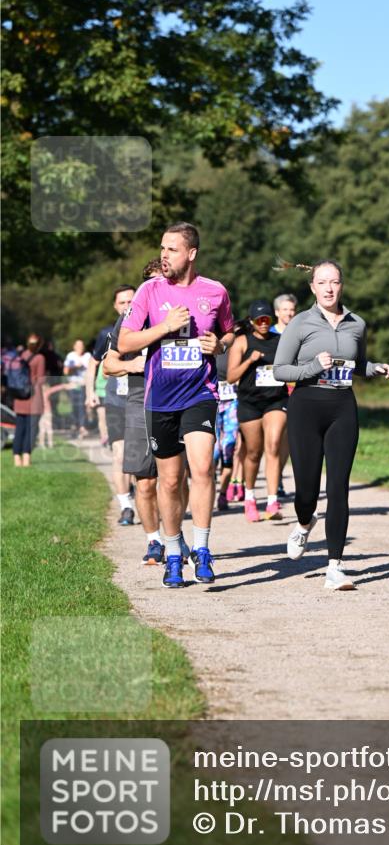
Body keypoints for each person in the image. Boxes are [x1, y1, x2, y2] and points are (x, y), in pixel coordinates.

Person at [118, 223, 234, 588]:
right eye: (162, 249)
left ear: (192, 253)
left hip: (199, 394)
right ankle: (172, 553)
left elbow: (229, 331)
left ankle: (201, 549)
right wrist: (164, 326)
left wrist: (220, 345)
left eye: (172, 249)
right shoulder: (150, 290)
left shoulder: (214, 292)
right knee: (169, 482)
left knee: (202, 468)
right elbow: (125, 342)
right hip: (160, 399)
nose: (164, 255)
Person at [273, 259, 389, 591]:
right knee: (307, 491)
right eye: (322, 282)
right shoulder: (300, 323)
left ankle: (335, 567)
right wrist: (312, 366)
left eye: (335, 282)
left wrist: (375, 368)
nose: (329, 288)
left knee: (339, 486)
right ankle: (303, 523)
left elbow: (356, 364)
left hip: (342, 406)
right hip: (305, 406)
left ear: (342, 285)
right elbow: (280, 370)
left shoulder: (357, 323)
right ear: (312, 287)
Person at [104, 258, 191, 566]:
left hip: (177, 399)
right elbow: (108, 364)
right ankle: (153, 540)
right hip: (140, 401)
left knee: (177, 478)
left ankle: (175, 534)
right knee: (145, 481)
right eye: (155, 283)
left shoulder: (186, 313)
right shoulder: (132, 318)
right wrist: (132, 364)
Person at [227, 300, 289, 521]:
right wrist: (250, 361)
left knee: (272, 445)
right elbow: (232, 376)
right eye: (259, 320)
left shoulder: (280, 341)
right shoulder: (242, 342)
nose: (264, 324)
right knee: (253, 452)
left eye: (267, 320)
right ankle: (250, 498)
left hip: (276, 400)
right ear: (252, 321)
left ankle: (272, 501)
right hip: (250, 402)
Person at [85, 285, 136, 525]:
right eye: (122, 303)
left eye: (131, 301)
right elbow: (93, 363)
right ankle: (126, 506)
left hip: (142, 399)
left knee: (140, 456)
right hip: (115, 400)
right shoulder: (107, 333)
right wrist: (90, 393)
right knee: (120, 454)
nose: (127, 306)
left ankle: (143, 495)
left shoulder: (147, 330)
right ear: (115, 307)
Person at [213, 337, 244, 512]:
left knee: (228, 448)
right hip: (210, 402)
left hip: (232, 401)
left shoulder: (234, 345)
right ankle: (208, 490)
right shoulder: (203, 340)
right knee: (213, 451)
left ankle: (223, 494)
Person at [273, 293, 298, 496]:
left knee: (287, 439)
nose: (289, 313)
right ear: (276, 312)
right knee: (272, 439)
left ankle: (278, 476)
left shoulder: (300, 332)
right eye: (285, 309)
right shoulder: (269, 333)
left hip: (294, 390)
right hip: (268, 393)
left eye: (292, 309)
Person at [11, 334, 46, 466]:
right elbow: (41, 380)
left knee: (19, 428)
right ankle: (26, 458)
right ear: (39, 344)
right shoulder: (40, 358)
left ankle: (16, 459)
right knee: (31, 430)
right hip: (33, 397)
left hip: (19, 397)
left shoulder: (19, 356)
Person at [63, 339, 91, 437]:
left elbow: (91, 371)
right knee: (74, 407)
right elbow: (66, 371)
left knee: (82, 406)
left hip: (83, 385)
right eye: (78, 346)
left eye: (81, 346)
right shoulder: (71, 356)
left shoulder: (88, 356)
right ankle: (75, 425)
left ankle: (82, 427)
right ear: (74, 347)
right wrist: (75, 366)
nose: (80, 348)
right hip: (73, 385)